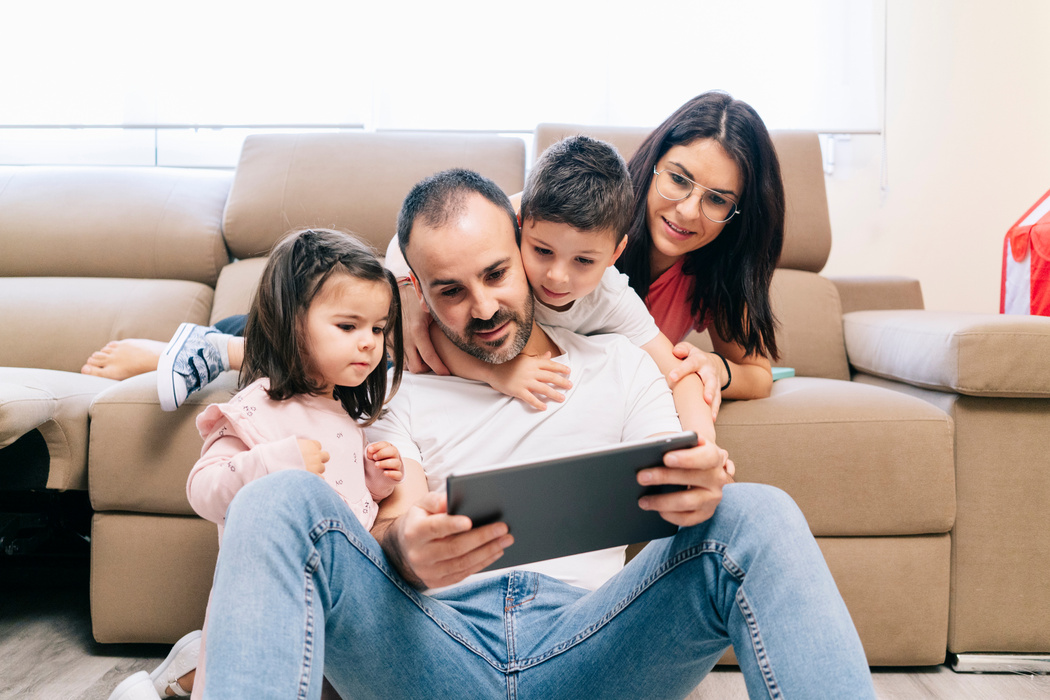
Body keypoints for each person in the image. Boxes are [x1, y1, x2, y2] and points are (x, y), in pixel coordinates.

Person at [198, 169, 875, 698]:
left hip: (592, 645)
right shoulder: (392, 389)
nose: (483, 307)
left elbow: (677, 484)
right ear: (418, 294)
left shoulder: (620, 365)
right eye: (450, 290)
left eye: (496, 273)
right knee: (275, 499)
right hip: (435, 651)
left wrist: (699, 487)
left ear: (527, 247)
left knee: (757, 512)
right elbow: (391, 522)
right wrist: (407, 551)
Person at [80, 91, 782, 424]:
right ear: (651, 167)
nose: (689, 210)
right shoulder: (554, 214)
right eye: (679, 180)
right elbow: (428, 231)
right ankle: (209, 346)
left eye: (717, 199)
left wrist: (710, 370)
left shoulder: (704, 278)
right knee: (353, 340)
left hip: (495, 345)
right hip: (426, 319)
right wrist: (415, 297)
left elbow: (751, 371)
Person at [106, 228, 406, 700]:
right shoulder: (257, 408)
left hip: (337, 598)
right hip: (271, 596)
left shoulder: (343, 413)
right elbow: (203, 489)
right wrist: (274, 464)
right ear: (290, 323)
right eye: (348, 327)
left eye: (378, 328)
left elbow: (343, 501)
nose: (369, 343)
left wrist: (374, 481)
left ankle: (190, 665)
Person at [421, 135, 715, 442]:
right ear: (519, 226)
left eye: (584, 260)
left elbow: (680, 377)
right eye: (542, 251)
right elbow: (438, 333)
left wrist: (704, 444)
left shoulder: (612, 297)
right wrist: (497, 373)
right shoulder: (502, 273)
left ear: (615, 254)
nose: (557, 277)